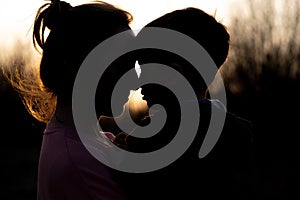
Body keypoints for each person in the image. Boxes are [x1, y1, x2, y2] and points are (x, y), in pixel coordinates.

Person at [112, 7, 254, 200]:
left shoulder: (151, 140)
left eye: (144, 68)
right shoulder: (239, 132)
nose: (137, 81)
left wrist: (119, 152)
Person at [27, 0, 135, 199]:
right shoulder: (77, 164)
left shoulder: (88, 147)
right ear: (74, 66)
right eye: (121, 64)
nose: (135, 80)